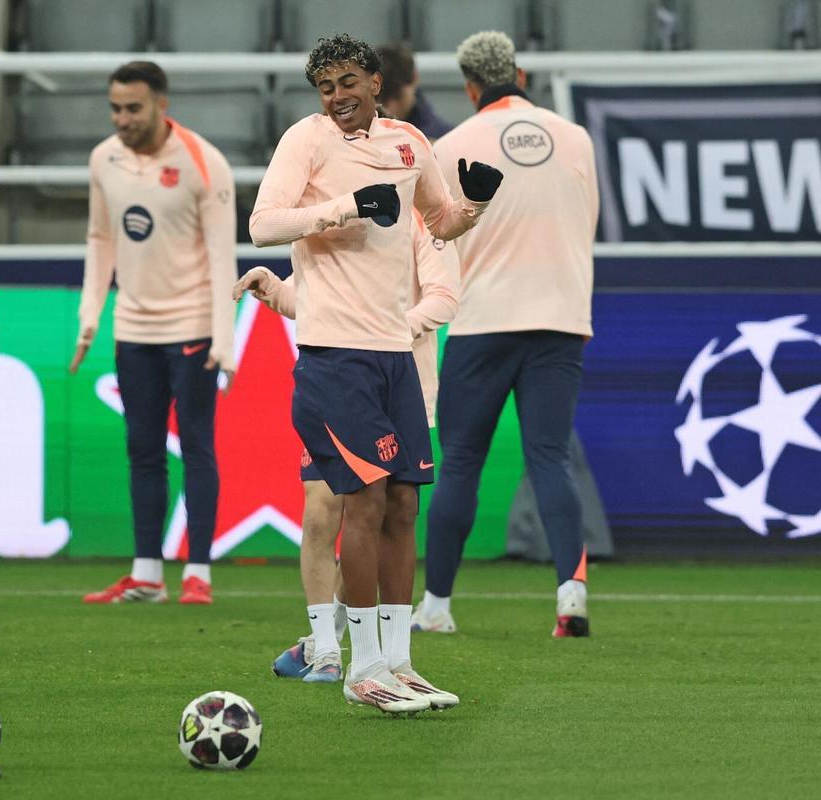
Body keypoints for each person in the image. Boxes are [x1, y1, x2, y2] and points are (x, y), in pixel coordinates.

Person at [248, 33, 501, 713]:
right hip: (335, 355)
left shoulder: (411, 144)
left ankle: (398, 662)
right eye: (326, 87)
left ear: (374, 82)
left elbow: (439, 223)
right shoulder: (306, 141)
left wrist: (473, 206)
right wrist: (346, 207)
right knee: (359, 505)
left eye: (347, 83)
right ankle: (361, 670)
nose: (337, 98)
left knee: (401, 505)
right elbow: (265, 222)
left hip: (395, 355)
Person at [236, 209, 460, 713]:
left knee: (394, 509)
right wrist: (273, 288)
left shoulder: (424, 223)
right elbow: (312, 303)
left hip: (406, 383)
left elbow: (444, 297)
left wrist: (385, 331)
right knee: (327, 509)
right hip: (341, 379)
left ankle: (382, 658)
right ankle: (335, 653)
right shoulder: (331, 215)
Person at [413, 31, 598, 638]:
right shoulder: (575, 138)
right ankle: (571, 598)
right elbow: (587, 223)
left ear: (469, 86)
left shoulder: (452, 143)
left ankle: (436, 606)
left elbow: (434, 238)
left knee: (461, 463)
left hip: (482, 321)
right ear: (518, 73)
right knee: (550, 458)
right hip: (560, 321)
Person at [71, 61, 237, 606]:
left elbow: (221, 257)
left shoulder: (203, 162)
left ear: (161, 105)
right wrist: (90, 315)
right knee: (141, 449)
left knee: (196, 447)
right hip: (133, 327)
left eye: (133, 108)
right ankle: (146, 574)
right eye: (115, 108)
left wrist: (223, 338)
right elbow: (100, 238)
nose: (123, 118)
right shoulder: (103, 159)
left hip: (190, 326)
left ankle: (199, 573)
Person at [377, 43, 455, 140]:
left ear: (415, 78)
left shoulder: (445, 139)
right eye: (381, 99)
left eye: (398, 97)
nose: (391, 109)